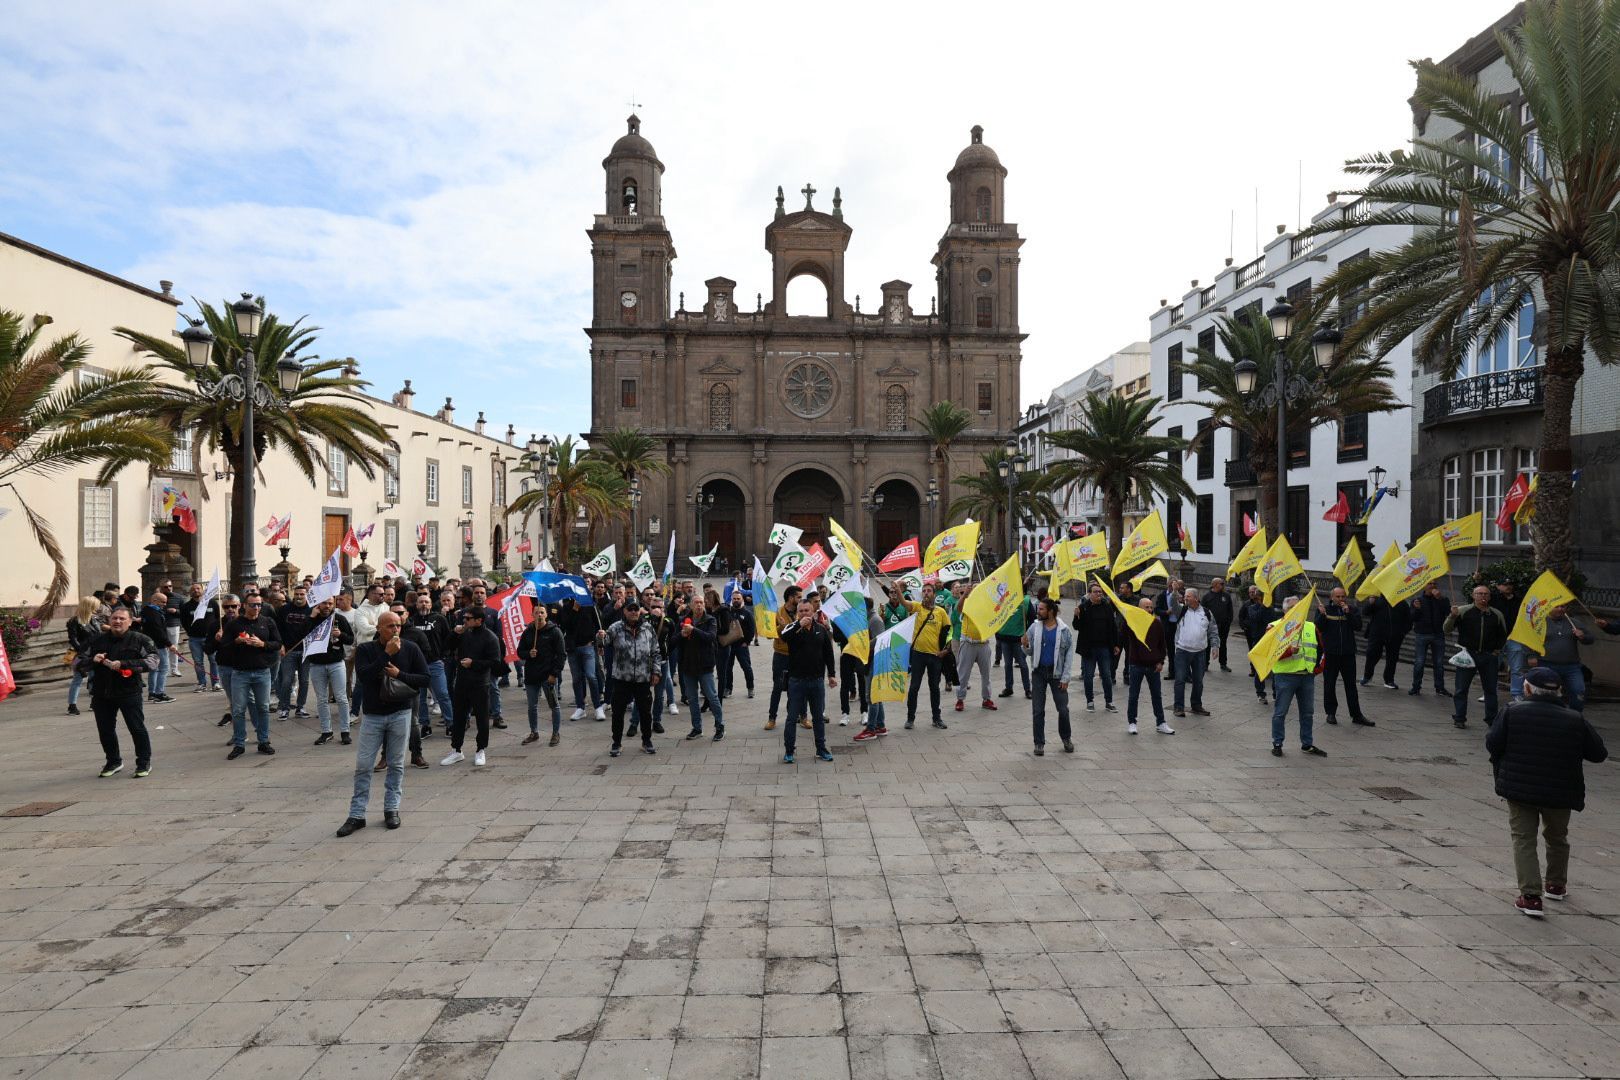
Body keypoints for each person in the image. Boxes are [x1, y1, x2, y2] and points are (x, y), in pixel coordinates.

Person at [1485, 667, 1608, 916]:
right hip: (1560, 792)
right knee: (1557, 837)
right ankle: (1555, 884)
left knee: (1524, 839)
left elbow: (1492, 743)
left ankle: (1530, 897)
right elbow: (1598, 754)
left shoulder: (1512, 712)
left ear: (1528, 688)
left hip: (1520, 789)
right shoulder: (1575, 719)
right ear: (1559, 691)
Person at [337, 610, 429, 836]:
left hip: (400, 713)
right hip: (373, 716)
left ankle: (391, 809)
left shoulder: (410, 648)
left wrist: (400, 675)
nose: (395, 630)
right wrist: (386, 655)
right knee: (364, 766)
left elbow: (425, 678)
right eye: (390, 626)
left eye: (398, 625)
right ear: (379, 628)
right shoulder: (367, 649)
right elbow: (365, 676)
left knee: (396, 765)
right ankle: (357, 814)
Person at [73, 606, 160, 777]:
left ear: (130, 621)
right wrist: (93, 660)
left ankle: (143, 763)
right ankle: (113, 761)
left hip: (129, 691)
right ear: (109, 621)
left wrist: (125, 664)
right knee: (105, 730)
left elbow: (153, 661)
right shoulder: (97, 640)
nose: (117, 621)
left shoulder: (140, 639)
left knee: (136, 728)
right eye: (114, 618)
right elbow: (77, 662)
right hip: (101, 692)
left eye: (122, 618)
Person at [220, 595, 281, 759]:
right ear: (244, 606)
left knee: (263, 707)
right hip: (240, 672)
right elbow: (224, 647)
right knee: (238, 709)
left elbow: (278, 644)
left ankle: (264, 741)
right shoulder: (234, 624)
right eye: (253, 605)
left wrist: (262, 644)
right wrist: (237, 642)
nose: (256, 608)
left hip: (262, 672)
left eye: (259, 605)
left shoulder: (267, 622)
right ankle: (240, 743)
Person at [441, 607, 501, 766]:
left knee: (482, 718)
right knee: (459, 717)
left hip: (480, 683)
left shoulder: (490, 637)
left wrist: (473, 663)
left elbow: (495, 662)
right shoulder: (463, 633)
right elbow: (446, 647)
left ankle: (481, 750)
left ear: (478, 620)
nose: (464, 621)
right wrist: (454, 633)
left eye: (468, 618)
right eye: (464, 618)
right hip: (461, 681)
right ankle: (456, 750)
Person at [779, 598, 837, 764]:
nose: (804, 613)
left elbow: (828, 654)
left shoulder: (821, 630)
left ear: (813, 612)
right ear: (798, 613)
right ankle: (789, 751)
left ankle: (821, 749)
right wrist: (799, 625)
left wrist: (831, 674)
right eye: (801, 611)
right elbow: (783, 637)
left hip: (816, 681)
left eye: (807, 610)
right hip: (797, 681)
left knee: (818, 717)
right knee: (791, 718)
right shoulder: (793, 628)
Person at [603, 598, 662, 756]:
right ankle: (616, 742)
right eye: (631, 609)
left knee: (645, 712)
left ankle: (646, 741)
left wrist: (656, 672)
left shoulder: (648, 628)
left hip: (643, 678)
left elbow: (656, 652)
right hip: (622, 678)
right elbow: (604, 643)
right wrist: (600, 636)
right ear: (625, 611)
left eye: (636, 609)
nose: (634, 612)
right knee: (618, 712)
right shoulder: (616, 628)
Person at [1445, 585, 1507, 729]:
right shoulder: (1462, 611)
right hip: (1468, 655)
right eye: (1479, 593)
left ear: (1490, 597)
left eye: (1486, 594)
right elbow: (1446, 629)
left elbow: (1503, 634)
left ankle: (1491, 719)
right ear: (1473, 596)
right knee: (1461, 689)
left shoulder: (1496, 614)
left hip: (1488, 656)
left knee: (1490, 690)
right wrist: (1452, 616)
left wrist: (1496, 651)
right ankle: (1460, 718)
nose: (1483, 596)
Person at [1269, 607, 1325, 758]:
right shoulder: (1274, 626)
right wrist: (1288, 652)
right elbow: (1269, 653)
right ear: (1286, 610)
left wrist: (1317, 669)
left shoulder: (1311, 626)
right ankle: (1277, 743)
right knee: (1280, 712)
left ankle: (1307, 744)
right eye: (1293, 608)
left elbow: (1321, 648)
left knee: (1307, 713)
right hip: (1285, 676)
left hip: (1307, 676)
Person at [1315, 587, 1373, 727]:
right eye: (1338, 597)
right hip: (1331, 653)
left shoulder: (1351, 609)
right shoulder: (1324, 609)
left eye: (1343, 596)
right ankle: (1331, 713)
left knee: (1351, 685)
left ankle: (1356, 714)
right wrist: (1322, 615)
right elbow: (1319, 628)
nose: (1341, 599)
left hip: (1348, 653)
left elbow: (1358, 626)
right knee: (1329, 683)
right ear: (1332, 597)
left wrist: (1348, 613)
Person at [1023, 597, 1073, 755]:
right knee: (1038, 710)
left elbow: (1069, 656)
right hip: (1038, 672)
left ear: (1051, 611)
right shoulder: (1034, 627)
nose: (1039, 611)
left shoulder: (1064, 630)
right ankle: (1039, 743)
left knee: (1063, 709)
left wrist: (1065, 678)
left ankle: (1066, 738)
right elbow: (1029, 651)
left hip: (1056, 674)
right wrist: (1025, 645)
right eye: (1039, 609)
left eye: (1042, 609)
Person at [1527, 604, 1596, 713]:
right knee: (1548, 694)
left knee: (1579, 690)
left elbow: (1591, 639)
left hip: (1571, 666)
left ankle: (1575, 715)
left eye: (1563, 607)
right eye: (1557, 607)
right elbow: (1529, 640)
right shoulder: (1540, 622)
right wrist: (1531, 656)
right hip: (1547, 665)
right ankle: (1551, 716)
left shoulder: (1573, 622)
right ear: (1549, 607)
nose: (1560, 609)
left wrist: (1583, 636)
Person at [903, 581, 952, 730]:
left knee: (934, 688)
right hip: (918, 654)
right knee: (914, 687)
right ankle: (910, 718)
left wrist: (946, 649)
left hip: (935, 656)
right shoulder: (917, 608)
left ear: (934, 594)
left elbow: (949, 631)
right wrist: (898, 590)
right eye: (924, 591)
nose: (926, 593)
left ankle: (937, 718)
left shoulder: (941, 612)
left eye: (929, 591)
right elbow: (904, 603)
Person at [307, 598, 355, 745]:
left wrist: (340, 635)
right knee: (322, 699)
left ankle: (345, 731)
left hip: (336, 663)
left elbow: (350, 639)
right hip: (316, 664)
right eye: (324, 603)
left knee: (341, 698)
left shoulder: (339, 619)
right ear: (318, 604)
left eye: (330, 603)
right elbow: (302, 635)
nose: (327, 606)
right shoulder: (312, 619)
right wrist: (311, 618)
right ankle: (326, 731)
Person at [518, 602, 568, 745]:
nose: (539, 615)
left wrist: (554, 674)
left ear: (546, 614)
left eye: (542, 613)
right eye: (536, 613)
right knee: (532, 706)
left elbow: (561, 655)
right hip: (532, 675)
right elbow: (519, 652)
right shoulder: (528, 632)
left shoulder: (554, 631)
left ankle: (555, 733)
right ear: (532, 615)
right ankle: (534, 732)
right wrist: (529, 653)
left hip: (548, 675)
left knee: (554, 705)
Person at [407, 592, 453, 737]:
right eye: (421, 602)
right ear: (416, 605)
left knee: (443, 694)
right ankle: (425, 725)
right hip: (416, 666)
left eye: (427, 602)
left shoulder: (439, 619)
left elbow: (448, 638)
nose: (424, 604)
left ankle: (450, 724)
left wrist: (443, 656)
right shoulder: (411, 621)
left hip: (435, 663)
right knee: (420, 699)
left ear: (431, 604)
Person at [678, 595, 724, 740]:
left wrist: (693, 630)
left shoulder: (710, 620)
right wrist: (682, 635)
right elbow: (675, 640)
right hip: (688, 666)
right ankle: (697, 728)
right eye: (696, 602)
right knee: (692, 699)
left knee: (712, 697)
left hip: (705, 665)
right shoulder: (684, 620)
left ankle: (719, 726)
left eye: (701, 603)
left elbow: (710, 637)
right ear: (690, 605)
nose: (699, 605)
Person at [1124, 595, 1171, 736]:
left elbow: (1162, 644)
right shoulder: (1133, 622)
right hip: (1136, 664)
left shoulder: (1156, 623)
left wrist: (1161, 661)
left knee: (1157, 695)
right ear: (1140, 608)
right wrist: (1129, 618)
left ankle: (1161, 722)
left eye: (1151, 607)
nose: (1149, 609)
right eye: (1146, 607)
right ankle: (1132, 722)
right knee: (1134, 695)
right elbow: (1124, 633)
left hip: (1153, 665)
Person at [1072, 582, 1120, 712]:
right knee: (1088, 676)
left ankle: (1109, 701)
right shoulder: (1083, 607)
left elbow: (1113, 627)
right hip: (1089, 649)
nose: (1099, 594)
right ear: (1089, 594)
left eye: (1100, 592)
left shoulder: (1107, 607)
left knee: (1106, 675)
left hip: (1104, 647)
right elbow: (1077, 626)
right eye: (1096, 592)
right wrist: (1076, 615)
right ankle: (1090, 701)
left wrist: (1116, 644)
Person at [558, 595, 607, 721]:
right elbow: (565, 626)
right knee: (577, 678)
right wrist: (574, 610)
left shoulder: (590, 605)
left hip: (588, 646)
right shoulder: (567, 607)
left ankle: (597, 707)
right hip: (573, 648)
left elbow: (598, 625)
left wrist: (600, 642)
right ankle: (580, 707)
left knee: (591, 676)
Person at [1171, 588, 1217, 718]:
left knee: (1198, 681)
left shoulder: (1207, 613)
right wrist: (1174, 592)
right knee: (1180, 680)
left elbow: (1213, 631)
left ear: (1196, 598)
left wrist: (1215, 646)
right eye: (1185, 596)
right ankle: (1178, 707)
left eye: (1188, 596)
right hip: (1182, 651)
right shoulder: (1182, 610)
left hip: (1200, 653)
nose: (1186, 598)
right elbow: (1173, 604)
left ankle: (1196, 705)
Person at [764, 584, 804, 730]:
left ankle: (796, 716)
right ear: (791, 597)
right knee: (778, 687)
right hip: (781, 655)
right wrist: (781, 627)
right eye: (799, 597)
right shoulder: (778, 612)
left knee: (796, 688)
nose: (801, 599)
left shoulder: (802, 612)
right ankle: (772, 718)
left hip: (798, 655)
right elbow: (769, 635)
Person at [274, 583, 314, 720]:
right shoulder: (284, 610)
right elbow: (276, 629)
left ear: (306, 595)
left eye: (302, 594)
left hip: (305, 652)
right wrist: (280, 645)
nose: (298, 597)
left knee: (304, 681)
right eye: (296, 594)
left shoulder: (312, 610)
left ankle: (300, 707)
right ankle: (284, 708)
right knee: (286, 680)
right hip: (288, 651)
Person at [952, 598, 996, 713]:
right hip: (968, 643)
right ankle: (960, 699)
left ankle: (987, 699)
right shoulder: (967, 603)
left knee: (986, 674)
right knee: (963, 674)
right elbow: (958, 608)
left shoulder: (987, 605)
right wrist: (965, 594)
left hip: (984, 643)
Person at [1239, 586, 1280, 705]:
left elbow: (1273, 621)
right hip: (1258, 641)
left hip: (1270, 641)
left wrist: (1266, 607)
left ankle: (1275, 694)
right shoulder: (1252, 608)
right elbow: (1255, 618)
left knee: (1274, 669)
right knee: (1259, 669)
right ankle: (1261, 693)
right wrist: (1262, 606)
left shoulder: (1270, 609)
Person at [1409, 581, 1451, 697]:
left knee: (1438, 663)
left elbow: (1448, 613)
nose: (1432, 586)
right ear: (1424, 585)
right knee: (1419, 662)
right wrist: (1416, 609)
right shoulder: (1417, 600)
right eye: (1429, 583)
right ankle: (1416, 687)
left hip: (1438, 634)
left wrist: (1440, 599)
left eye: (1434, 584)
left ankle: (1440, 688)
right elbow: (1412, 617)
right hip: (1422, 635)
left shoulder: (1442, 599)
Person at [1360, 593, 1410, 690]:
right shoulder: (1377, 600)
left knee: (1392, 658)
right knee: (1372, 654)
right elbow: (1365, 612)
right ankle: (1367, 676)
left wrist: (1402, 632)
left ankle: (1389, 680)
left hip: (1395, 636)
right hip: (1376, 634)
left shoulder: (1401, 602)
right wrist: (1370, 603)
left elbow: (1408, 619)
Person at [65, 595, 102, 716]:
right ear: (89, 606)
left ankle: (94, 702)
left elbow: (99, 636)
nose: (97, 608)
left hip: (95, 653)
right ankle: (72, 705)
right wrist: (82, 652)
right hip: (80, 654)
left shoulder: (94, 619)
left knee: (95, 678)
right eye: (95, 606)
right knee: (78, 679)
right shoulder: (74, 621)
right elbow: (73, 639)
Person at [1491, 579, 1528, 701]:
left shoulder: (1519, 600)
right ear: (1498, 586)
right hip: (1496, 638)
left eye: (1510, 584)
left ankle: (1517, 693)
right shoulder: (1493, 599)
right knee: (1492, 666)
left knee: (1517, 668)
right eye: (1505, 584)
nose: (1508, 587)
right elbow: (1477, 598)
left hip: (1515, 637)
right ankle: (1490, 692)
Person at [179, 582, 219, 692]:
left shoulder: (211, 603)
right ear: (190, 592)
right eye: (193, 589)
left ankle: (216, 682)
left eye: (198, 588)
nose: (196, 590)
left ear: (203, 590)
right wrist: (191, 631)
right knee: (198, 662)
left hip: (211, 638)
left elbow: (218, 617)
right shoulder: (186, 607)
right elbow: (184, 622)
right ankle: (202, 683)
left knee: (214, 660)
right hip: (195, 639)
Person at [994, 591, 1033, 700]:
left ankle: (1027, 689)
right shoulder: (1002, 599)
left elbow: (1032, 618)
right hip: (1005, 638)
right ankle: (1008, 688)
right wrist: (998, 633)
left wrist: (1027, 635)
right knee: (1007, 664)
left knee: (1023, 664)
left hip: (1019, 639)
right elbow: (997, 616)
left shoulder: (1025, 601)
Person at [139, 592, 174, 703]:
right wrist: (169, 644)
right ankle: (159, 693)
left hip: (150, 644)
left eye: (165, 602)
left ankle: (152, 693)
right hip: (158, 645)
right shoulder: (153, 613)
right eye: (162, 602)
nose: (164, 604)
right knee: (163, 668)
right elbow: (158, 631)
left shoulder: (146, 611)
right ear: (154, 600)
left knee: (154, 669)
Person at [725, 591, 756, 699]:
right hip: (729, 645)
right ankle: (728, 688)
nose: (736, 600)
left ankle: (750, 688)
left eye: (738, 599)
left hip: (741, 646)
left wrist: (746, 642)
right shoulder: (727, 612)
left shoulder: (747, 614)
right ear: (731, 600)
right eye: (734, 599)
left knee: (747, 668)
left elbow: (752, 630)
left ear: (742, 599)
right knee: (727, 668)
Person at [1203, 577, 1235, 672]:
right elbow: (1203, 611)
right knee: (1208, 645)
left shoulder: (1226, 596)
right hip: (1210, 626)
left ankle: (1223, 664)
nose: (1223, 585)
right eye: (1222, 583)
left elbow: (1230, 611)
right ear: (1215, 584)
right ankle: (1205, 664)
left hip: (1223, 626)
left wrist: (1228, 622)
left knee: (1223, 644)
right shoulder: (1207, 597)